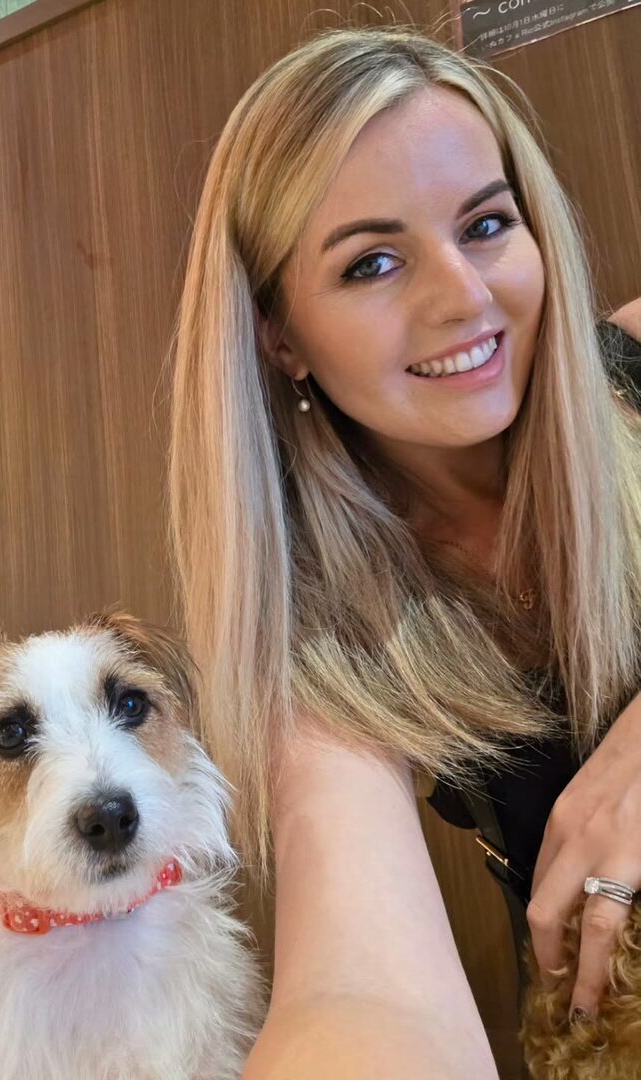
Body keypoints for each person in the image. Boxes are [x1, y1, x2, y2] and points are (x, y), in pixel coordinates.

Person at [167, 25, 641, 1078]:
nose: (463, 296)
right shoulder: (327, 633)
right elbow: (356, 990)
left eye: (486, 224)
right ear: (279, 336)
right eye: (372, 262)